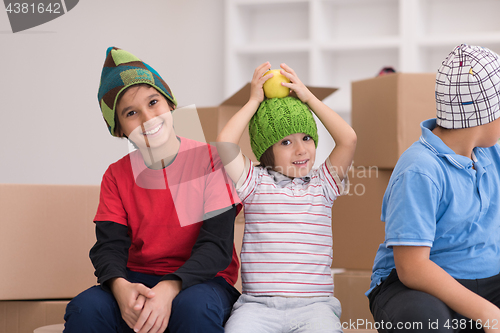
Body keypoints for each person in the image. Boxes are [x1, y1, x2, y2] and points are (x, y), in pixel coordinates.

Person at [63, 47, 241, 333]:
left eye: (153, 102)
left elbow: (216, 246)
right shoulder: (116, 175)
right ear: (119, 129)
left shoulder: (211, 161)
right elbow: (109, 246)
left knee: (194, 308)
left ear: (170, 104)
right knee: (85, 308)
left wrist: (170, 289)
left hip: (202, 282)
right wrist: (120, 288)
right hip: (137, 279)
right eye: (131, 113)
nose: (147, 119)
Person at [367, 44, 500, 333]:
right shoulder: (419, 169)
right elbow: (412, 268)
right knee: (425, 320)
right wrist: (488, 313)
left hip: (487, 281)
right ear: (485, 114)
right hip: (415, 286)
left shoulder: (491, 153)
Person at [216, 62, 357, 332]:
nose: (301, 150)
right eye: (286, 142)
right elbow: (225, 143)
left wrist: (308, 97)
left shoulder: (323, 183)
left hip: (314, 306)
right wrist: (253, 101)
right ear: (267, 151)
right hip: (257, 307)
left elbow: (348, 139)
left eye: (307, 137)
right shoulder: (254, 182)